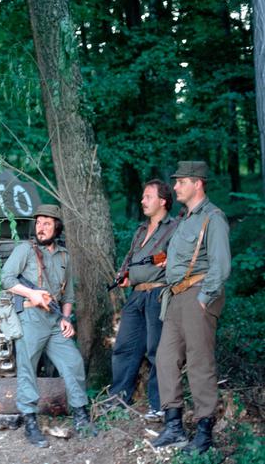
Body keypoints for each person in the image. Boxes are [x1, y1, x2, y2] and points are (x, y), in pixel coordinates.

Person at [151, 161, 231, 455]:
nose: (175, 187)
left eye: (180, 181)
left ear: (197, 183)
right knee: (165, 358)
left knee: (200, 362)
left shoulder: (213, 218)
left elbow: (221, 266)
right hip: (176, 298)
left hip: (198, 295)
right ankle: (173, 426)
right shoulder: (185, 219)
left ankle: (204, 430)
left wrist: (204, 297)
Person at [1, 204, 94, 447]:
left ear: (57, 228)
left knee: (72, 362)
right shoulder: (25, 250)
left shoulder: (64, 256)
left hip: (55, 320)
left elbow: (69, 296)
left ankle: (81, 415)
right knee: (27, 366)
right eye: (39, 223)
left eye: (47, 224)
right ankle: (30, 421)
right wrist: (30, 294)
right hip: (30, 317)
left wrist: (66, 319)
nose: (41, 228)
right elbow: (6, 279)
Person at [108, 180, 177, 421]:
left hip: (158, 294)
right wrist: (124, 275)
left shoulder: (175, 227)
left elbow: (181, 260)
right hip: (136, 295)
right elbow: (130, 258)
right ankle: (118, 399)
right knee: (124, 347)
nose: (142, 201)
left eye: (148, 197)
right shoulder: (140, 230)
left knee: (157, 350)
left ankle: (159, 405)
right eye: (142, 196)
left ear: (163, 201)